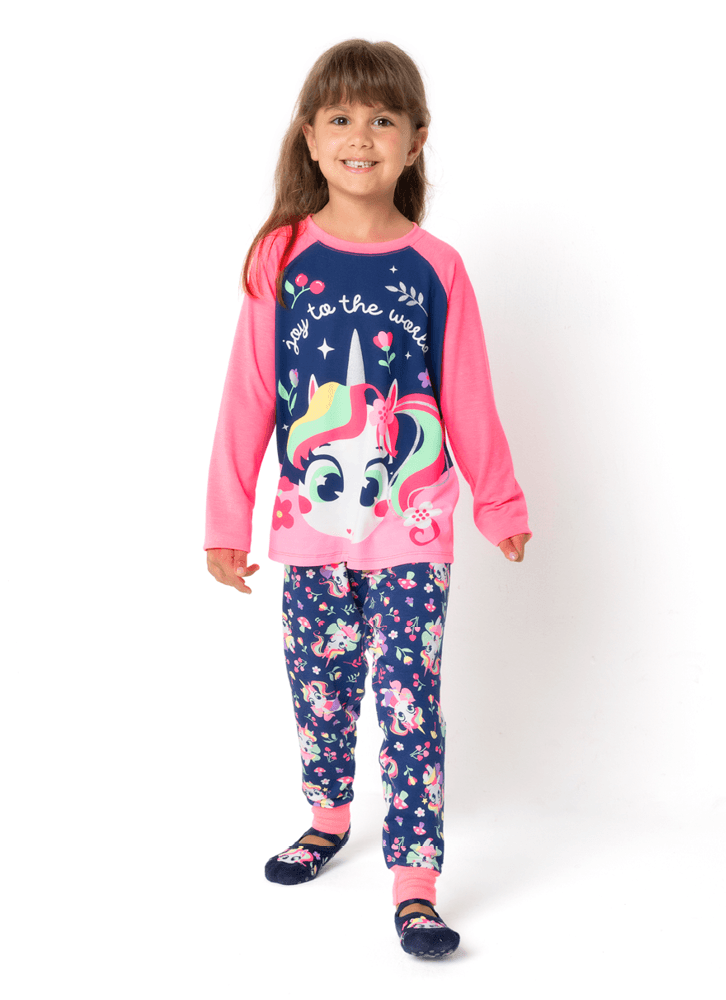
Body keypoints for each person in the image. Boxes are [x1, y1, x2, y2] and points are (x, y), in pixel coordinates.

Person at [204, 38, 531, 959]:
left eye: (383, 119)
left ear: (415, 140)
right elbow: (248, 396)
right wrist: (227, 520)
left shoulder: (436, 266)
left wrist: (499, 503)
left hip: (413, 528)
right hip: (308, 528)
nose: (361, 136)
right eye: (341, 118)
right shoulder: (281, 257)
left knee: (409, 699)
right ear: (310, 138)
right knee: (320, 686)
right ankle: (328, 816)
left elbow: (467, 394)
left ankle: (415, 882)